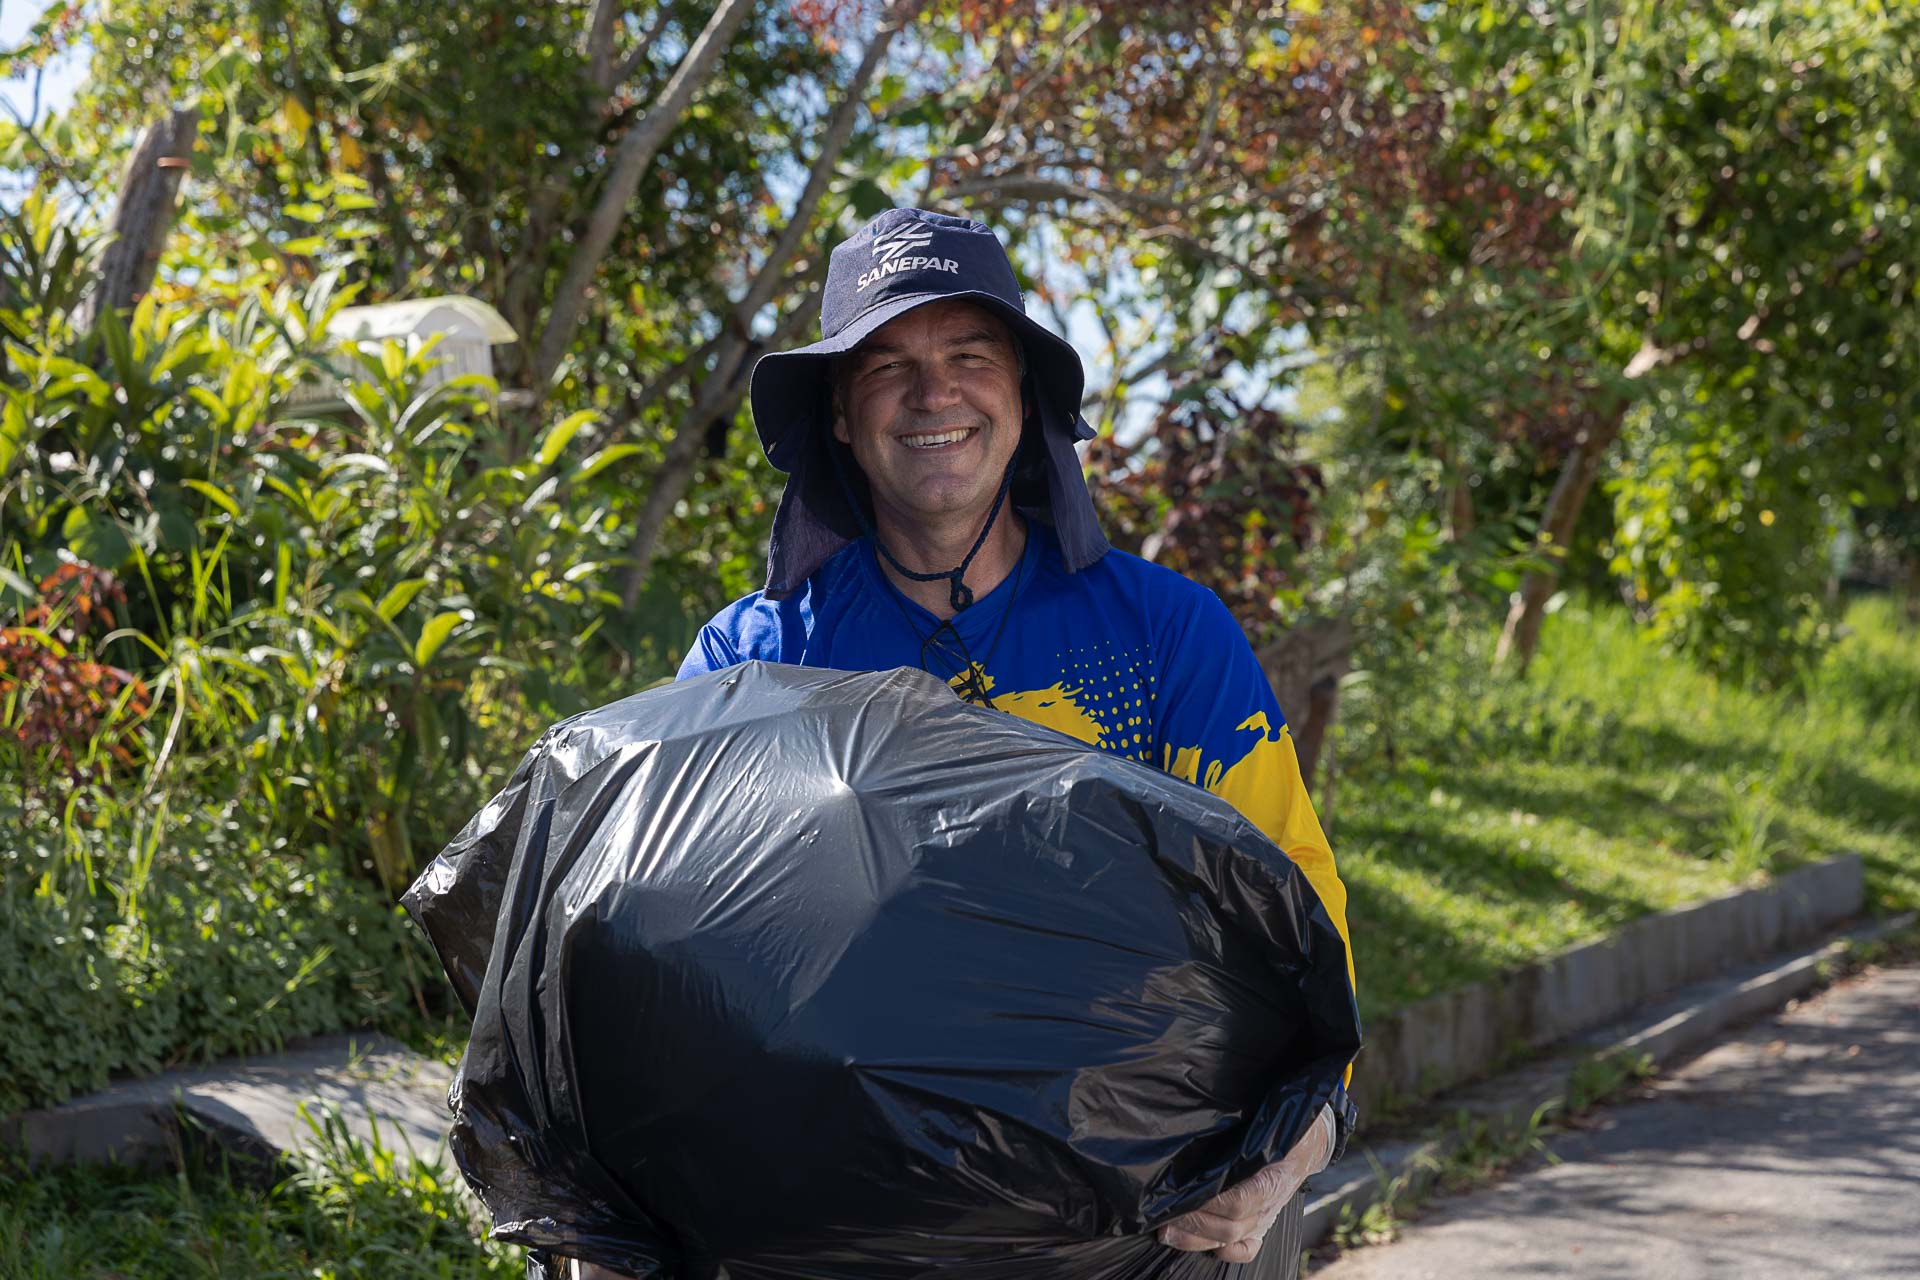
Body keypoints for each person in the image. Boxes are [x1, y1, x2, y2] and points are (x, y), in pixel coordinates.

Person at [575, 208, 1359, 1280]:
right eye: (887, 365)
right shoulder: (753, 664)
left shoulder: (1163, 638)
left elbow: (1299, 918)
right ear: (841, 418)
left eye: (967, 357)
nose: (932, 393)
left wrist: (1296, 1150)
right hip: (841, 1236)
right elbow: (656, 960)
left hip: (1143, 1237)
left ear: (1022, 393)